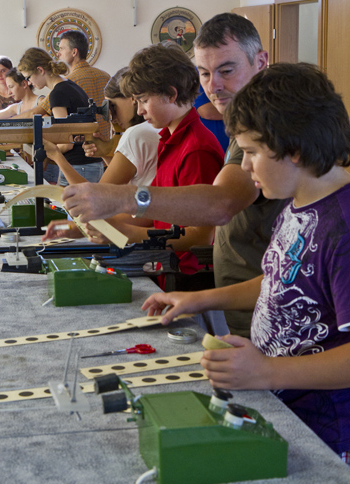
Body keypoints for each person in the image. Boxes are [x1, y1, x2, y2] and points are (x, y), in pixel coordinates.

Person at [142, 62, 350, 462]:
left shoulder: (342, 228)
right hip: (285, 405)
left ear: (295, 149)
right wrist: (202, 299)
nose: (245, 167)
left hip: (328, 431)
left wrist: (267, 371)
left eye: (252, 152)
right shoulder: (297, 203)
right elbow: (283, 281)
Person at [61, 13, 286, 337]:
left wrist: (122, 199)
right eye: (206, 73)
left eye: (226, 70)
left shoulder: (265, 130)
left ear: (261, 62)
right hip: (247, 310)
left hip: (267, 321)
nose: (214, 86)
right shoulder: (241, 130)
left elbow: (219, 205)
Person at [50, 42, 223, 279]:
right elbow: (158, 214)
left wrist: (126, 233)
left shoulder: (196, 150)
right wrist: (101, 227)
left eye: (142, 100)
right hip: (161, 264)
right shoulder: (168, 139)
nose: (139, 110)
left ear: (171, 94)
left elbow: (200, 236)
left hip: (181, 276)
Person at [42, 67, 159, 189]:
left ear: (132, 99)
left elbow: (97, 194)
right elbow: (127, 180)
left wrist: (57, 156)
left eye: (113, 106)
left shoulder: (135, 135)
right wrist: (104, 154)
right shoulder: (150, 129)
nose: (113, 118)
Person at [17, 47, 104, 185]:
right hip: (90, 164)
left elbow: (66, 142)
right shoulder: (69, 86)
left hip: (79, 165)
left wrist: (44, 151)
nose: (28, 83)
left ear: (40, 70)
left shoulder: (57, 94)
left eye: (28, 77)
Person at [17, 31, 111, 140]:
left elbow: (37, 112)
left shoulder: (67, 82)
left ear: (74, 52)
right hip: (105, 142)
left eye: (61, 48)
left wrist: (3, 122)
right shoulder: (105, 76)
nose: (58, 53)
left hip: (85, 145)